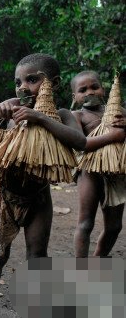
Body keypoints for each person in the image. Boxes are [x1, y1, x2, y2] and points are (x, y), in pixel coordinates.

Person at [0, 53, 86, 318]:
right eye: (18, 81)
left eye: (32, 80)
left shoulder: (62, 114)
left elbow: (81, 142)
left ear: (53, 84)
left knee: (37, 255)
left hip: (39, 198)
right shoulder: (11, 107)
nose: (23, 87)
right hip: (6, 196)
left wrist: (41, 118)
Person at [71, 70, 126, 257]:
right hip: (90, 172)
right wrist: (113, 135)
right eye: (83, 89)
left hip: (117, 173)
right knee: (85, 223)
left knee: (114, 226)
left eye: (94, 87)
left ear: (103, 89)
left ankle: (98, 260)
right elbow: (80, 144)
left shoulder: (120, 112)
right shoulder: (77, 116)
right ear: (75, 96)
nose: (90, 92)